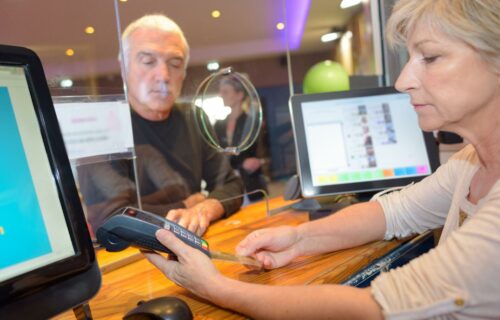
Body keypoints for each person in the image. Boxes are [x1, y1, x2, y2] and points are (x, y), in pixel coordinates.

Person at [144, 0, 500, 318]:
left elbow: (377, 308)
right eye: (409, 59)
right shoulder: (471, 163)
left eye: (431, 57)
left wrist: (215, 287)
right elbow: (392, 212)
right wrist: (298, 239)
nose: (404, 80)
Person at [80, 14, 244, 236]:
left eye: (175, 64)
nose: (163, 75)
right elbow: (109, 216)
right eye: (148, 62)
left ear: (184, 72)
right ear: (124, 67)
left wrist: (206, 207)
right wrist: (185, 207)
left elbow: (231, 185)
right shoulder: (102, 128)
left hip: (193, 241)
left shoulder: (193, 117)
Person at [214, 75, 269, 201]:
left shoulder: (251, 123)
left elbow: (265, 153)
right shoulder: (219, 125)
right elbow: (216, 154)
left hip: (251, 184)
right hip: (227, 184)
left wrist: (259, 161)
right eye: (221, 92)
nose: (221, 95)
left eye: (226, 92)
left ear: (239, 95)